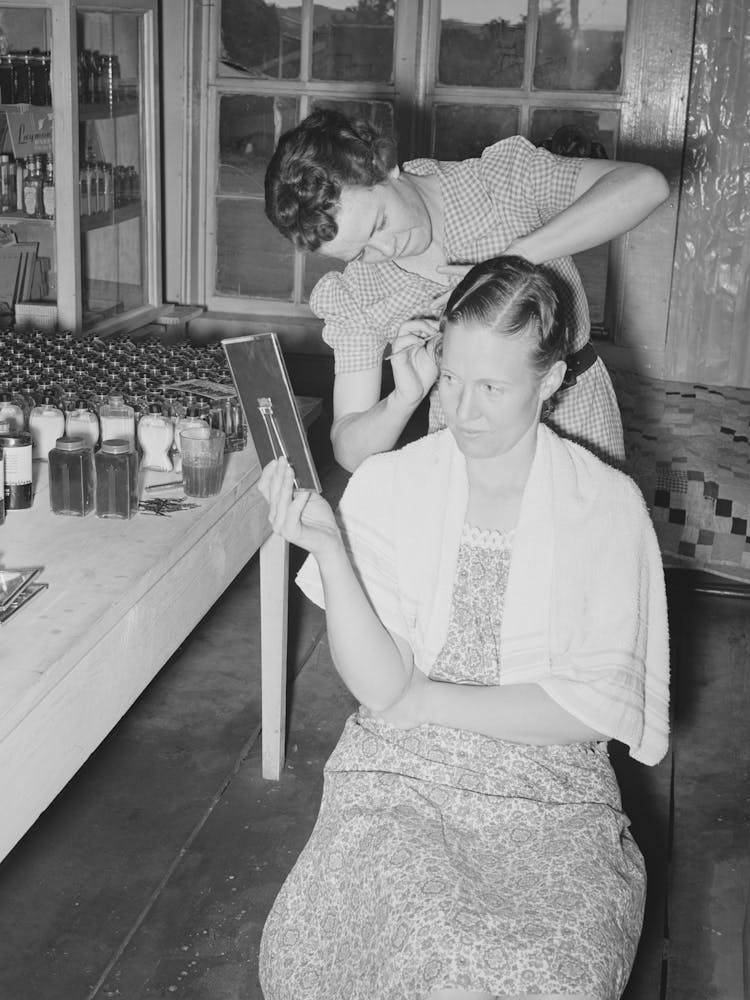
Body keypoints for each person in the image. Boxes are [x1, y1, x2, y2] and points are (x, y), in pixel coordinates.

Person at [257, 256, 670, 1000]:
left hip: (549, 793)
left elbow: (591, 708)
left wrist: (427, 701)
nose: (464, 410)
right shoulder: (394, 483)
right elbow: (382, 689)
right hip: (399, 775)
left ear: (549, 383)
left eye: (492, 387)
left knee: (520, 972)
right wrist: (329, 550)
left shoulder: (605, 506)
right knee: (362, 942)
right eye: (451, 378)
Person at [265, 108, 670, 472]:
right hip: (467, 450)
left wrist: (517, 257)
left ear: (384, 166)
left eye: (379, 225)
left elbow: (645, 185)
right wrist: (403, 398)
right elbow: (349, 451)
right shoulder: (357, 293)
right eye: (359, 253)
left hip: (577, 420)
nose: (385, 250)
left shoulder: (500, 182)